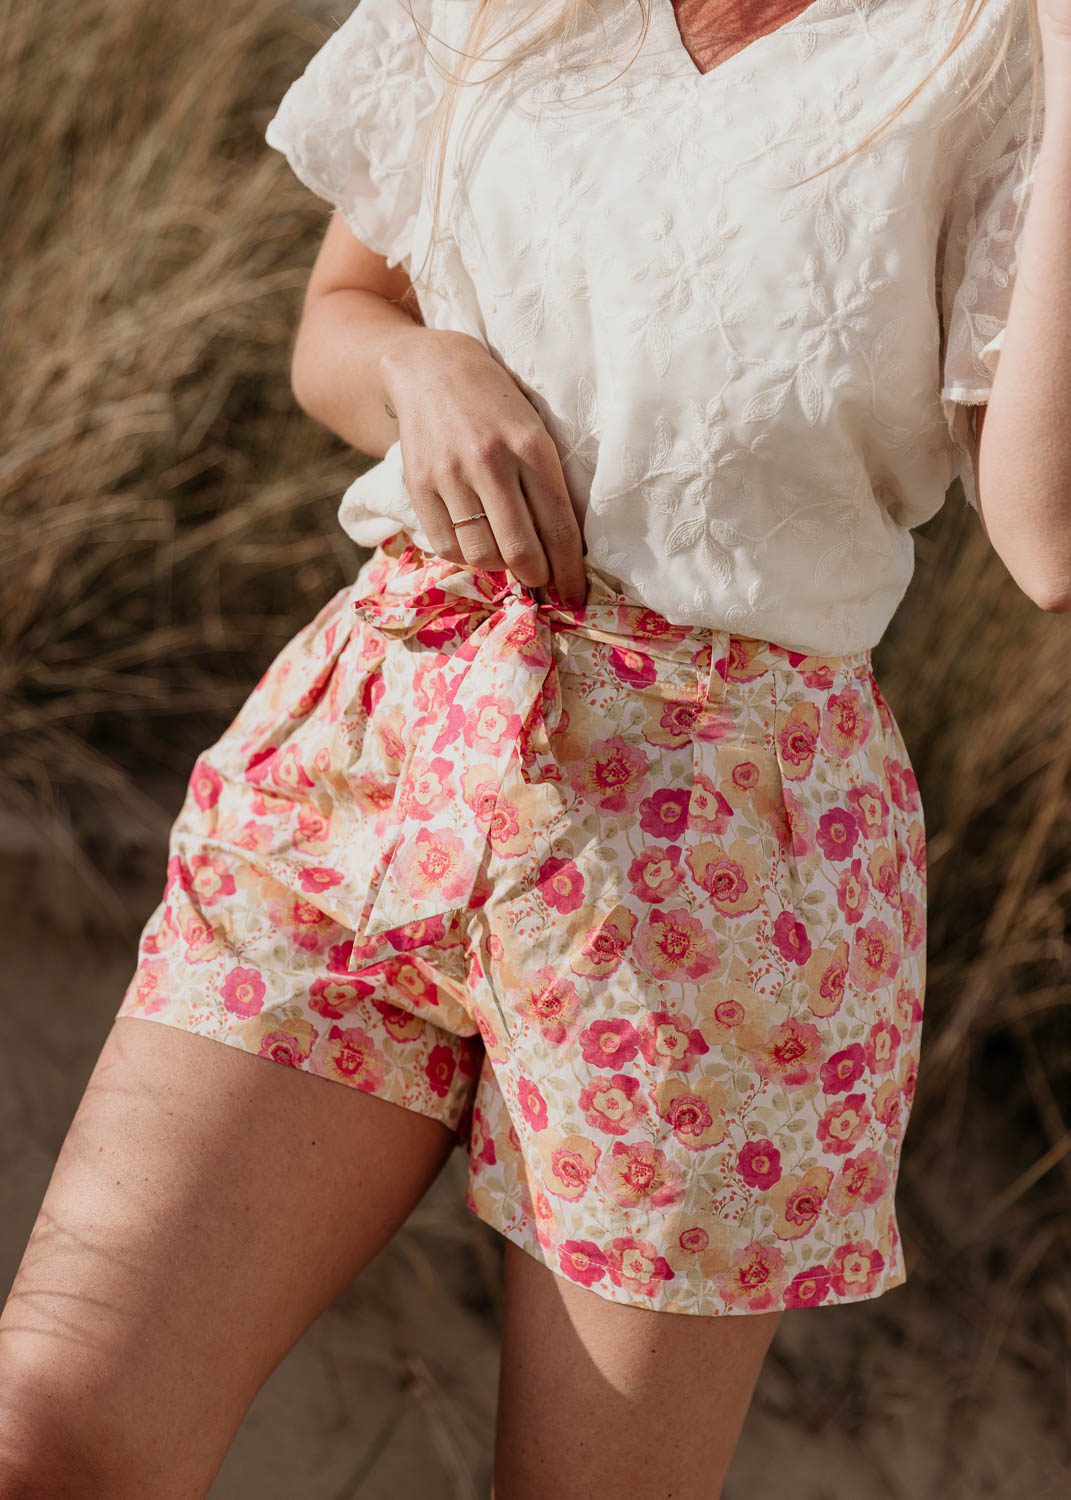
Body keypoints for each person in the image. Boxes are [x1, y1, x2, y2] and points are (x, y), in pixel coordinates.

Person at [1, 0, 1066, 1494]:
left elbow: (1047, 538)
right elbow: (338, 321)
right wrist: (418, 371)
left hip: (723, 864)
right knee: (50, 1431)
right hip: (376, 742)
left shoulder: (999, 54)